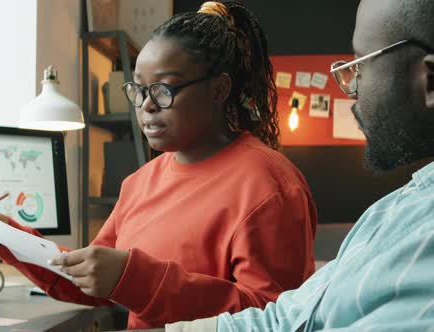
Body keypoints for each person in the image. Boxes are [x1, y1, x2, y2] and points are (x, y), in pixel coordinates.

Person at [0, 1, 318, 329]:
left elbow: (277, 319)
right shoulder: (140, 182)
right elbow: (90, 281)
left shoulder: (269, 184)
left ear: (219, 90)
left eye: (163, 89)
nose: (146, 105)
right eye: (138, 90)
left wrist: (135, 277)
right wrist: (6, 236)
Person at [164, 0, 434, 330]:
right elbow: (287, 318)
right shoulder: (388, 212)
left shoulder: (267, 178)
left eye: (361, 66)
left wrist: (137, 277)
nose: (351, 88)